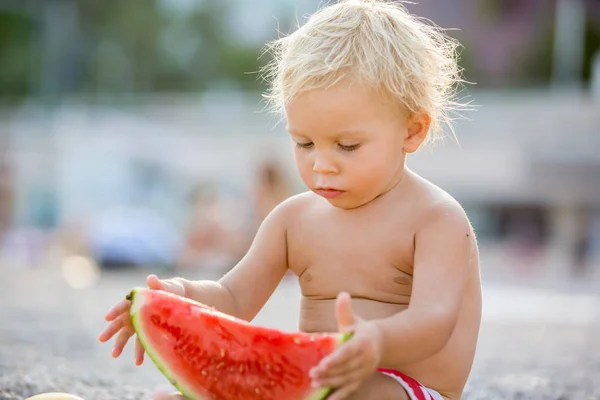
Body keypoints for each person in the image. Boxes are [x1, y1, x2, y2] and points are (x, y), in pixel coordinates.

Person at [98, 1, 481, 399]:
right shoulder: (292, 220)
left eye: (347, 146)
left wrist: (377, 342)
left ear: (413, 131)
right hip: (316, 385)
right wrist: (178, 300)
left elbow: (436, 321)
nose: (322, 165)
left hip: (408, 388)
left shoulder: (436, 220)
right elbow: (232, 297)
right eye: (304, 143)